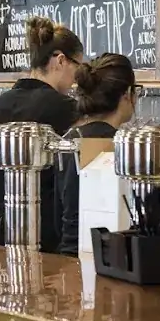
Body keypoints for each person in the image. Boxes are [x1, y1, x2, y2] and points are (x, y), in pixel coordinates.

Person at [0, 16, 82, 251]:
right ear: (61, 61)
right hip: (41, 234)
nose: (78, 78)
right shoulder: (68, 110)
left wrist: (7, 182)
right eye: (78, 66)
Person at [56, 54, 137, 256]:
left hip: (63, 256)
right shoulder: (120, 147)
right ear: (127, 93)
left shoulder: (67, 140)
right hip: (106, 260)